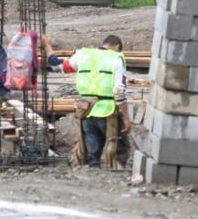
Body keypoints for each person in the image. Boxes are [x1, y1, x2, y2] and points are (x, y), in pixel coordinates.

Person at [41, 34, 133, 168]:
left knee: (92, 151)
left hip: (86, 109)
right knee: (121, 148)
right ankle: (116, 174)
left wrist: (47, 45)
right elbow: (119, 90)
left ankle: (93, 173)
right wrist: (126, 118)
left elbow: (56, 65)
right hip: (107, 111)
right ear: (118, 47)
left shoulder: (83, 55)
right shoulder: (116, 58)